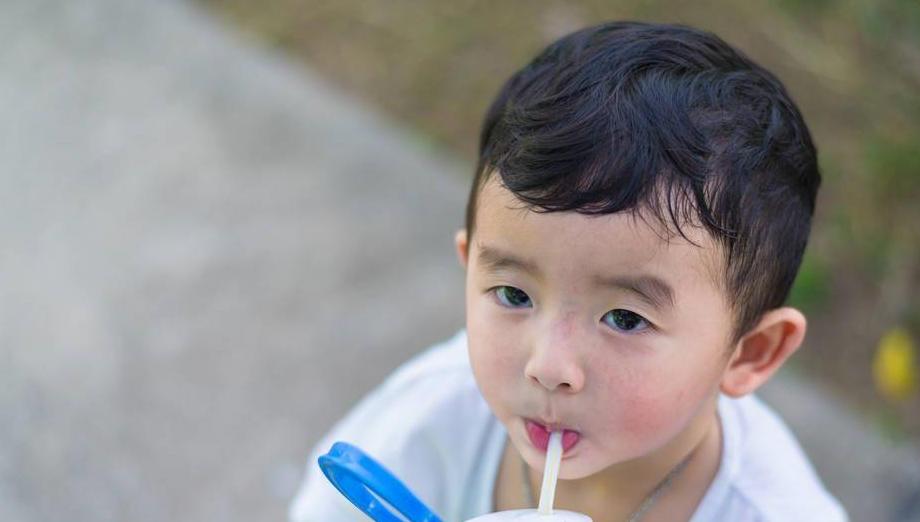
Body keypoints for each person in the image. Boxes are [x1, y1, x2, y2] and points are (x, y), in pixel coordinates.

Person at [289, 20, 848, 521]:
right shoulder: (426, 424)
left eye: (626, 319)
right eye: (513, 293)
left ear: (751, 351)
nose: (549, 366)